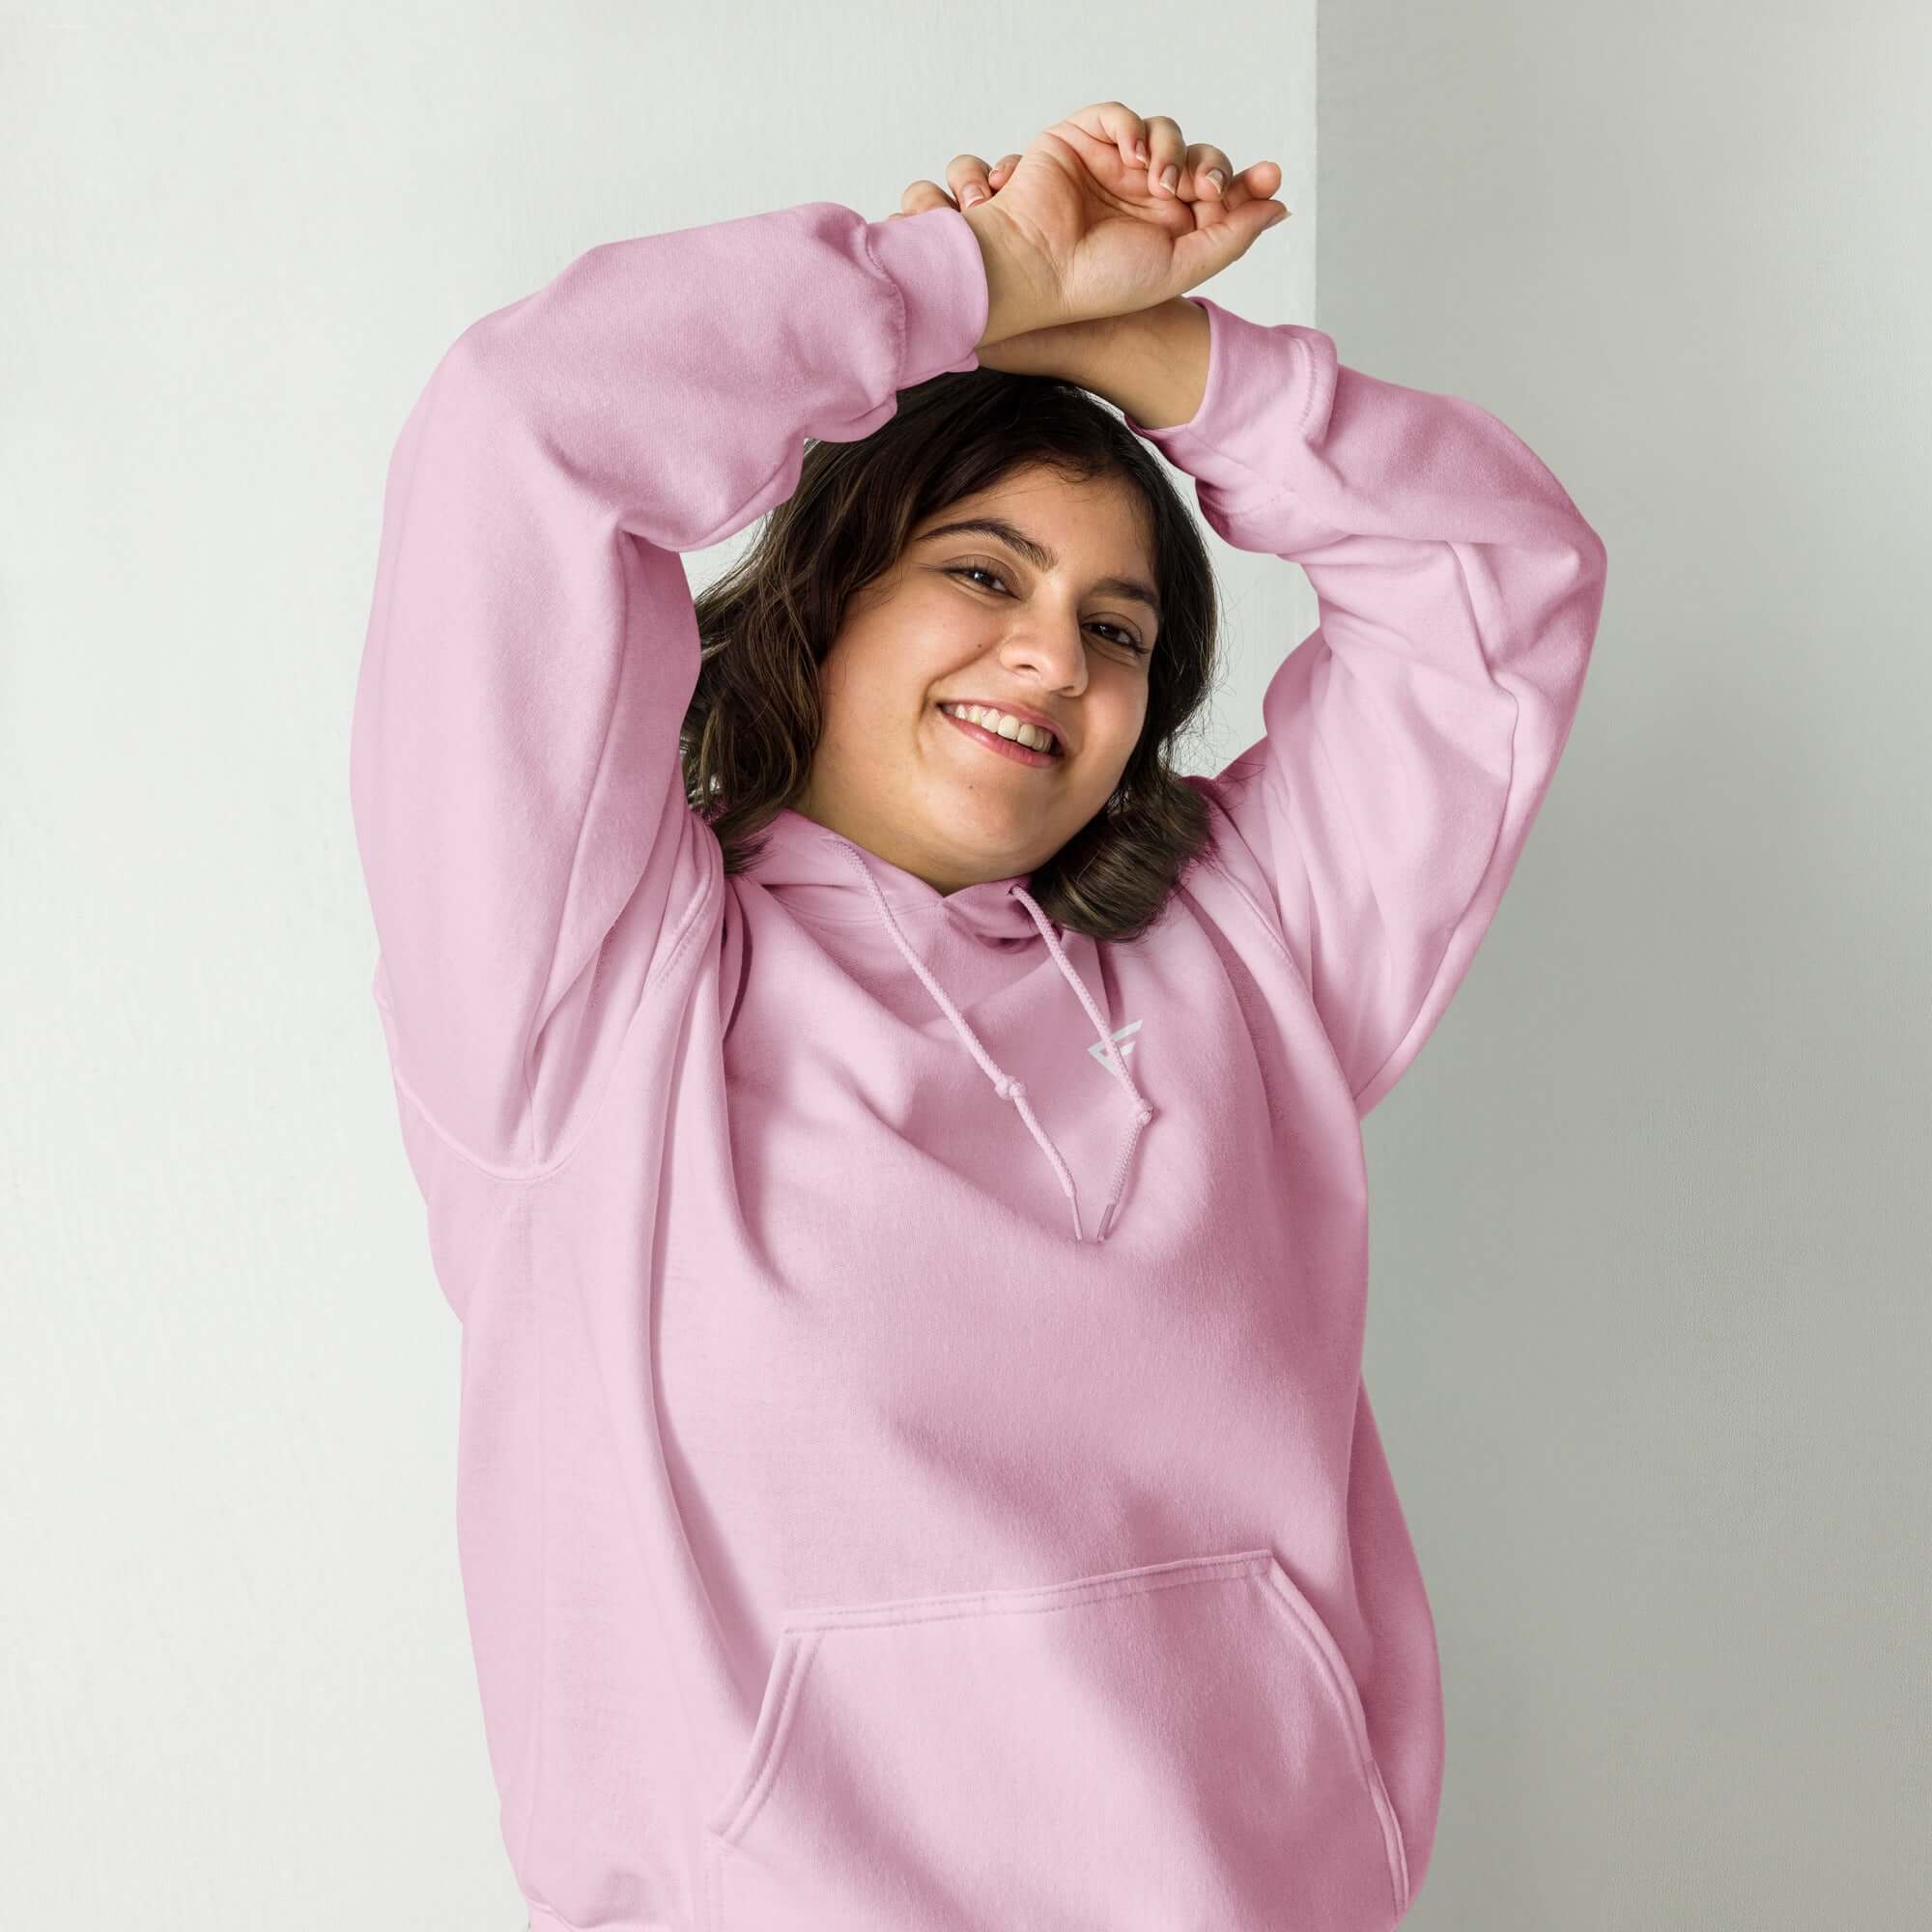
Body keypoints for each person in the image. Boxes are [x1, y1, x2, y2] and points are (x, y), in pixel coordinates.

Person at [349, 99, 1606, 1932]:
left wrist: (1151, 356)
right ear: (829, 606)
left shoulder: (1246, 968)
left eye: (1118, 630)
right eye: (983, 573)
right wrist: (965, 284)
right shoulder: (593, 1007)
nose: (1053, 658)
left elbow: (1497, 582)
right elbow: (523, 434)